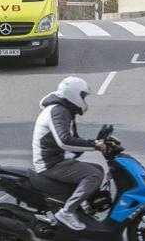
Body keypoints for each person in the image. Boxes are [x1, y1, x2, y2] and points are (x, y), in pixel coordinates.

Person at [32, 76, 106, 231]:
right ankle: (67, 212)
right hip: (51, 164)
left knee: (98, 169)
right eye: (83, 96)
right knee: (93, 175)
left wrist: (97, 142)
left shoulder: (64, 109)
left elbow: (73, 139)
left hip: (57, 160)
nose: (84, 100)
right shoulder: (58, 111)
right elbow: (64, 141)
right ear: (73, 94)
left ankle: (83, 207)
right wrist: (94, 145)